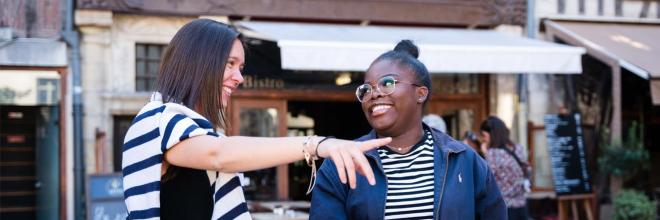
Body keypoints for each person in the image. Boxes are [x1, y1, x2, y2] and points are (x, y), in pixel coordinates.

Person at [121, 19, 391, 220]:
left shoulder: (191, 128)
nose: (239, 78)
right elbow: (219, 154)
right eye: (229, 64)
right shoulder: (156, 120)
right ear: (197, 62)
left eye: (241, 68)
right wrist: (316, 144)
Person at [310, 40, 506, 219]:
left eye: (387, 83)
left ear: (420, 93)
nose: (374, 94)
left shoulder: (463, 160)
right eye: (366, 89)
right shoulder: (341, 164)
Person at [479, 116, 530, 220]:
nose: (483, 139)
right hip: (522, 205)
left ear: (492, 134)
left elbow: (488, 182)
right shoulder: (518, 149)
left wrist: (485, 154)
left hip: (504, 208)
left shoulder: (493, 154)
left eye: (484, 135)